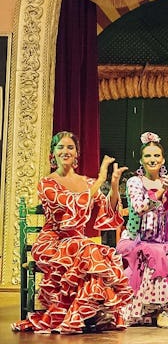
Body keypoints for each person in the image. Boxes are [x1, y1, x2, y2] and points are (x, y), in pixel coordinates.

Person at [13, 132, 132, 334]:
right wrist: (100, 179)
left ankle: (86, 314)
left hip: (77, 244)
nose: (65, 151)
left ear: (77, 153)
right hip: (52, 243)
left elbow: (107, 209)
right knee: (88, 251)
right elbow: (73, 204)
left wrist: (112, 184)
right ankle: (84, 315)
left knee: (92, 252)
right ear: (53, 153)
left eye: (70, 147)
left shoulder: (87, 182)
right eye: (60, 147)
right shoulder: (46, 183)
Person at [117, 132, 168, 327]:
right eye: (148, 156)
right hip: (135, 239)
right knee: (156, 254)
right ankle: (154, 309)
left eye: (156, 156)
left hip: (160, 241)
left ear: (163, 159)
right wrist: (161, 189)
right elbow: (140, 208)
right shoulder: (134, 182)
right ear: (141, 159)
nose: (152, 159)